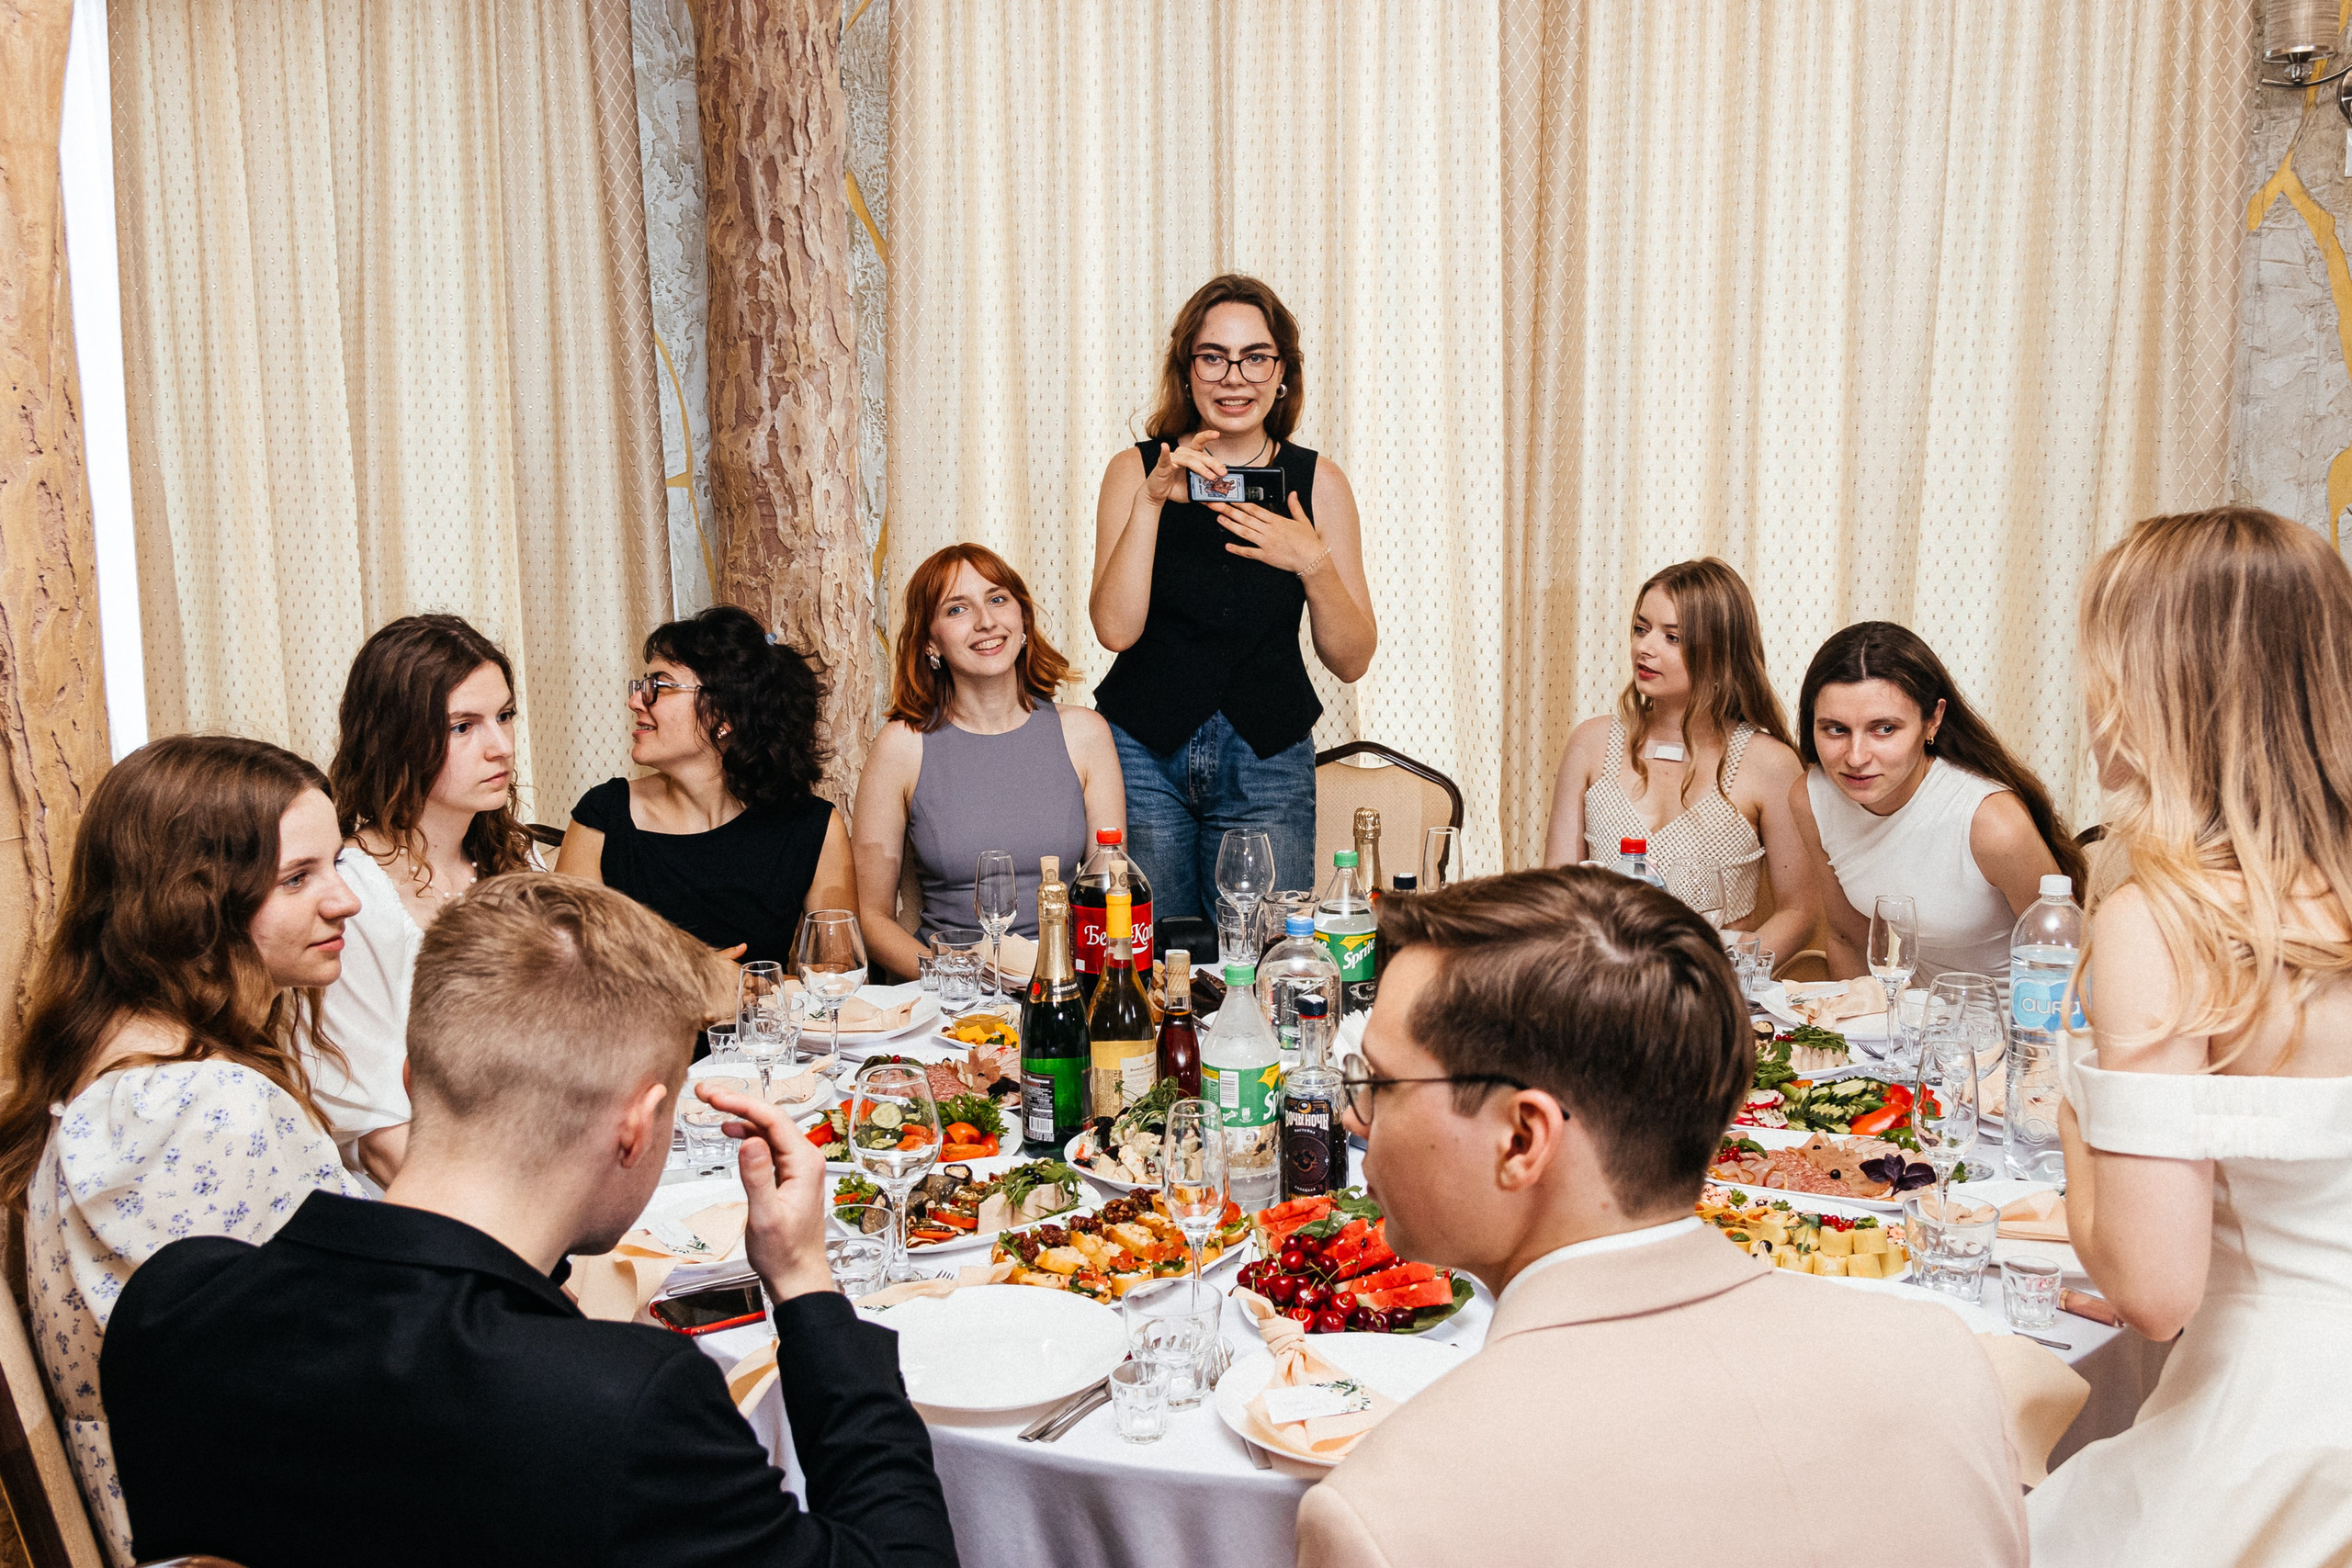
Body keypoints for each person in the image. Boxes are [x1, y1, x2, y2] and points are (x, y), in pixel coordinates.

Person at [100, 873, 958, 1568]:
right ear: (638, 1125)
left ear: (412, 1076)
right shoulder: (618, 1405)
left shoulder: (171, 1304)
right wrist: (806, 1282)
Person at [1293, 867, 2028, 1568]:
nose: (1354, 1117)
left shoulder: (1390, 1512)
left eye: (1380, 1082)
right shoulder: (1943, 1362)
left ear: (1522, 1138)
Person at [2026, 508, 2352, 1564]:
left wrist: (2077, 1111)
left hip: (2276, 1426)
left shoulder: (2164, 923)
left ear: (2163, 688)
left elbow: (2153, 1294)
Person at [0, 735, 365, 1566]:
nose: (345, 900)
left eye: (335, 863)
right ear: (190, 905)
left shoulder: (145, 1069)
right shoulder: (193, 1108)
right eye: (298, 877)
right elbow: (277, 1404)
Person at [1089, 274, 1377, 916]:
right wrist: (1152, 501)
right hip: (1142, 752)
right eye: (1213, 357)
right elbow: (1115, 630)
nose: (1234, 377)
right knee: (1148, 957)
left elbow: (1353, 659)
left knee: (1263, 952)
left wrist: (1312, 562)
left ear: (1282, 373)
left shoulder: (1318, 482)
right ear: (1187, 371)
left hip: (1268, 756)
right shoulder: (1134, 471)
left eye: (1255, 358)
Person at [320, 614, 538, 1187]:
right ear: (395, 738)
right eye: (462, 727)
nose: (501, 748)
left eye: (505, 716)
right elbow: (380, 1139)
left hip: (541, 1169)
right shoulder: (347, 895)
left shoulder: (516, 863)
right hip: (431, 1208)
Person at [852, 544, 1124, 981]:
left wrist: (1070, 984)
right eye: (957, 609)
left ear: (1022, 620)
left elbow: (1112, 898)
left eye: (998, 599)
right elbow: (871, 917)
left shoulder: (1086, 733)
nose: (986, 621)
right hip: (949, 994)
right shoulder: (901, 746)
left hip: (1066, 985)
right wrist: (955, 981)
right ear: (929, 641)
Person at [1541, 558, 1815, 958]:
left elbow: (1800, 913)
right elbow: (1554, 892)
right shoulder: (1590, 743)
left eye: (1672, 637)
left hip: (1711, 986)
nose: (1644, 647)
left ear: (1721, 651)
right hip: (1602, 985)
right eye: (1641, 629)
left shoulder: (1769, 763)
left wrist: (1722, 974)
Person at [1787, 621, 2085, 982]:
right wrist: (1856, 1036)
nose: (1856, 756)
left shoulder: (1991, 823)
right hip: (1917, 1024)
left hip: (2017, 1026)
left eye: (1884, 729)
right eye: (1836, 729)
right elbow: (1848, 939)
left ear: (1933, 720)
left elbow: (2069, 972)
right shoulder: (1812, 798)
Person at [558, 605, 856, 964]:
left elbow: (838, 982)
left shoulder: (812, 827)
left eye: (660, 686)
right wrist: (702, 986)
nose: (635, 700)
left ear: (725, 714)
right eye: (641, 685)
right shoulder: (603, 816)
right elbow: (565, 978)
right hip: (639, 1023)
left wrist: (748, 990)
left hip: (767, 1020)